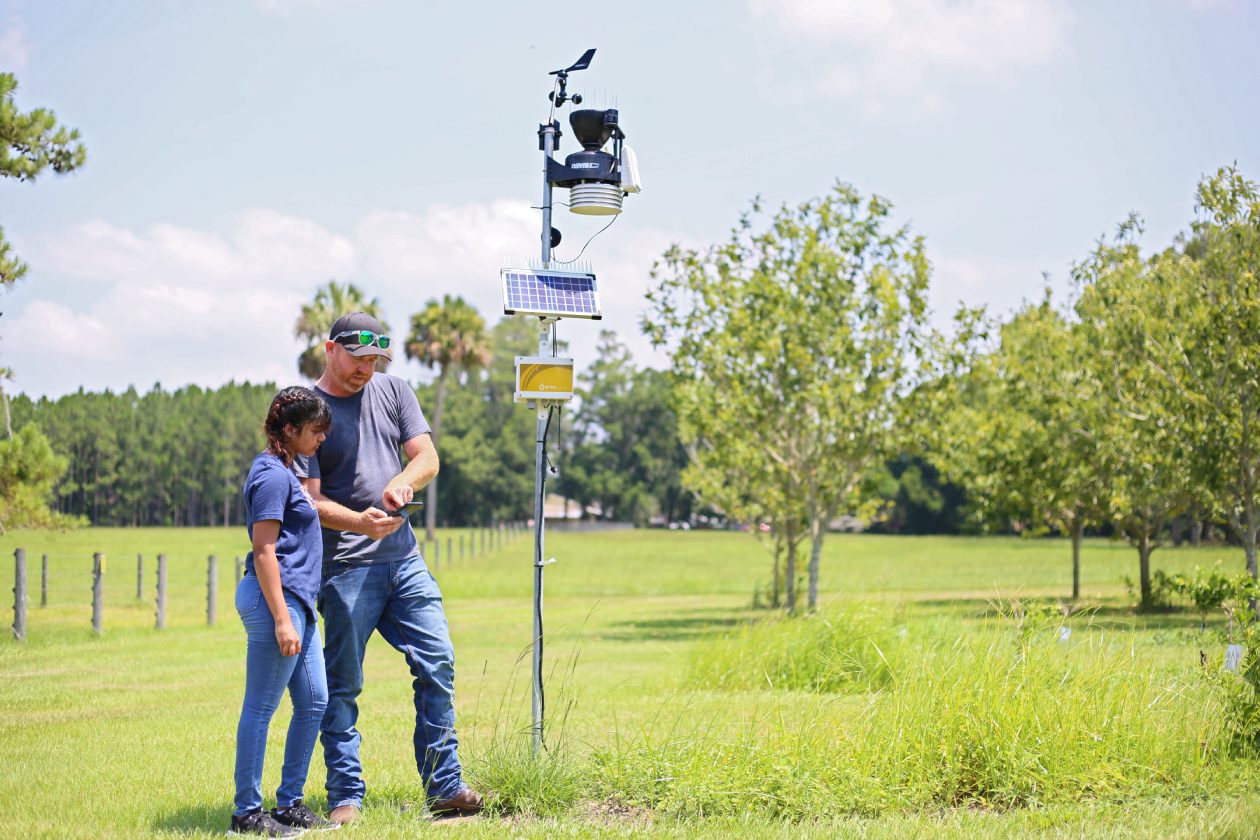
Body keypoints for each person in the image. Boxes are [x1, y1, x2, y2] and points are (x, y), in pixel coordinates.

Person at [295, 312, 485, 824]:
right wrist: (358, 522)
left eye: (375, 360)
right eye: (358, 360)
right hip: (344, 569)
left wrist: (405, 481)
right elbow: (307, 500)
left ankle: (445, 786)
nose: (366, 370)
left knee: (437, 662)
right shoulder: (307, 408)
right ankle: (345, 798)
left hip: (404, 561)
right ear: (331, 349)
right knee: (343, 687)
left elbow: (428, 457)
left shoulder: (394, 390)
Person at [231, 386, 335, 836]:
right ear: (290, 430)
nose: (321, 439)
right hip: (276, 599)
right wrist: (281, 618)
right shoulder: (272, 476)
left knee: (314, 701)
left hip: (299, 603)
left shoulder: (288, 471)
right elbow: (264, 551)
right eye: (316, 430)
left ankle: (290, 803)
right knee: (261, 707)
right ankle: (246, 814)